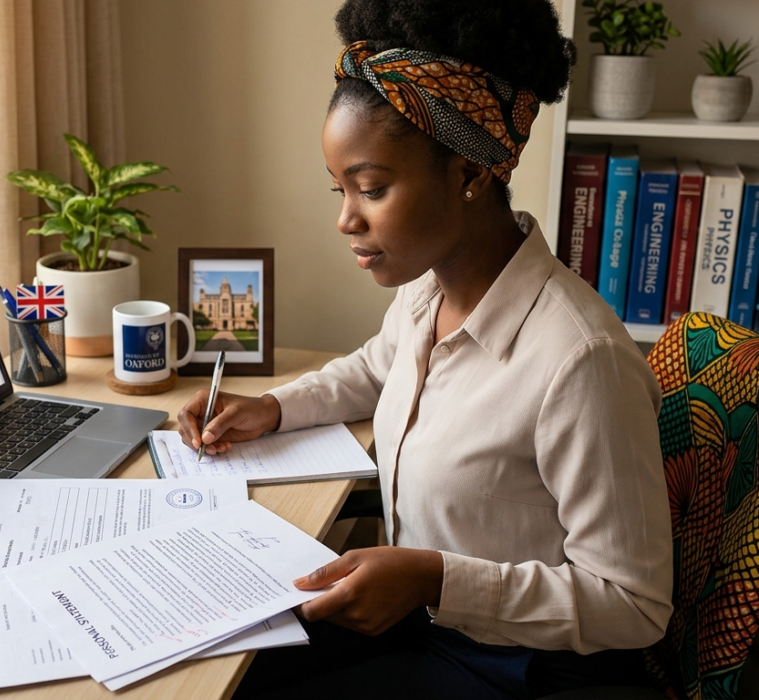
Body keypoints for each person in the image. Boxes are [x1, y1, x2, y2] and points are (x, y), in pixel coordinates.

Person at [177, 1, 673, 697]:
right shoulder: (428, 291)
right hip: (425, 619)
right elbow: (375, 369)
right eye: (340, 188)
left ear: (470, 174)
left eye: (371, 189)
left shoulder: (581, 362)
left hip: (526, 667)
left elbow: (635, 604)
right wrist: (271, 408)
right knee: (215, 659)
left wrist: (437, 578)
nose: (346, 219)